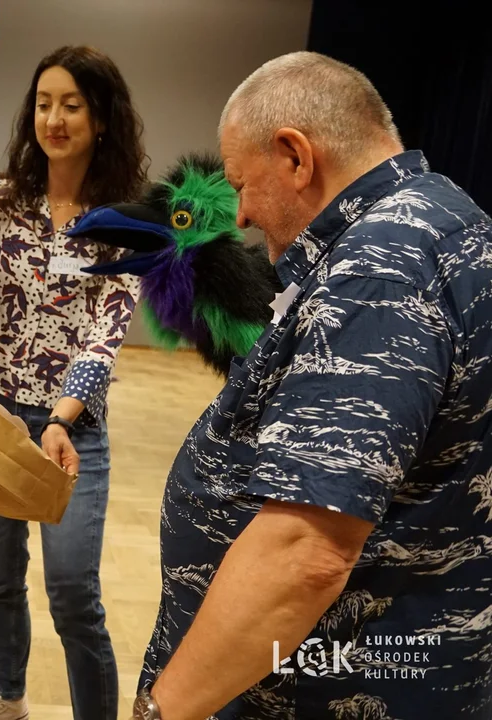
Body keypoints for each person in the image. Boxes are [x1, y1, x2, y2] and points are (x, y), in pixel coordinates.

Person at [130, 51, 492, 720]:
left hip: (331, 688)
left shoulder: (380, 271)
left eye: (241, 184)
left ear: (296, 157)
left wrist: (165, 709)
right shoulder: (444, 214)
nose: (237, 215)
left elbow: (308, 553)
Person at [0, 45, 148, 720]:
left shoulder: (126, 223)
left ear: (102, 119)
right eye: (44, 103)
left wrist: (62, 421)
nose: (54, 118)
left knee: (73, 589)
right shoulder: (3, 199)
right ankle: (10, 698)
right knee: (0, 576)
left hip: (72, 428)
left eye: (72, 104)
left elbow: (108, 332)